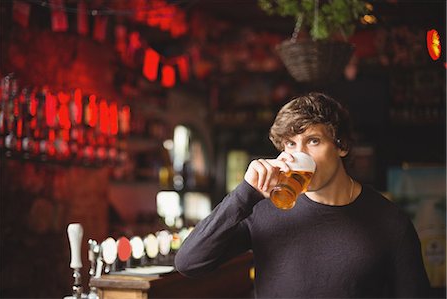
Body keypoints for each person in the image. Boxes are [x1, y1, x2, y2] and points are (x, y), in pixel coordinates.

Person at [174, 92, 430, 298]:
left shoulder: (391, 222)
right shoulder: (262, 209)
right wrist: (245, 193)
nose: (301, 155)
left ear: (342, 146)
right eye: (291, 144)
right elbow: (189, 262)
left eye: (313, 141)